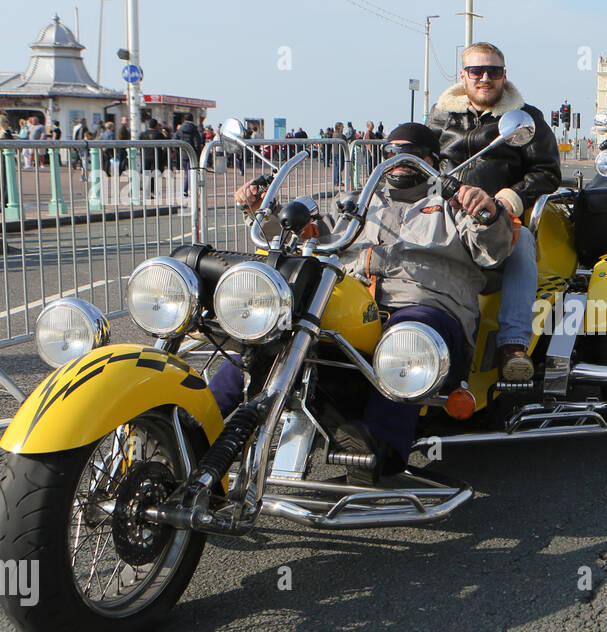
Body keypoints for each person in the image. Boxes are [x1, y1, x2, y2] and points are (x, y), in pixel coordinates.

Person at [217, 123, 513, 482]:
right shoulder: (360, 203)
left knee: (405, 335)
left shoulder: (455, 204)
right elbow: (312, 238)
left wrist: (489, 213)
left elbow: (494, 251)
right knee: (269, 332)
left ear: (433, 161)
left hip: (427, 312)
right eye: (392, 153)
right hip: (353, 310)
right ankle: (199, 424)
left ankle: (378, 449)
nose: (400, 162)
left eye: (413, 154)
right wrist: (262, 212)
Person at [426, 41, 561, 382]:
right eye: (476, 71)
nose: (485, 77)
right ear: (463, 76)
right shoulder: (441, 116)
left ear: (504, 75)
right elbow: (422, 160)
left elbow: (547, 172)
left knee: (521, 242)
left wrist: (506, 200)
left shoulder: (525, 118)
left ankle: (512, 347)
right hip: (446, 210)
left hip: (500, 214)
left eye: (494, 71)